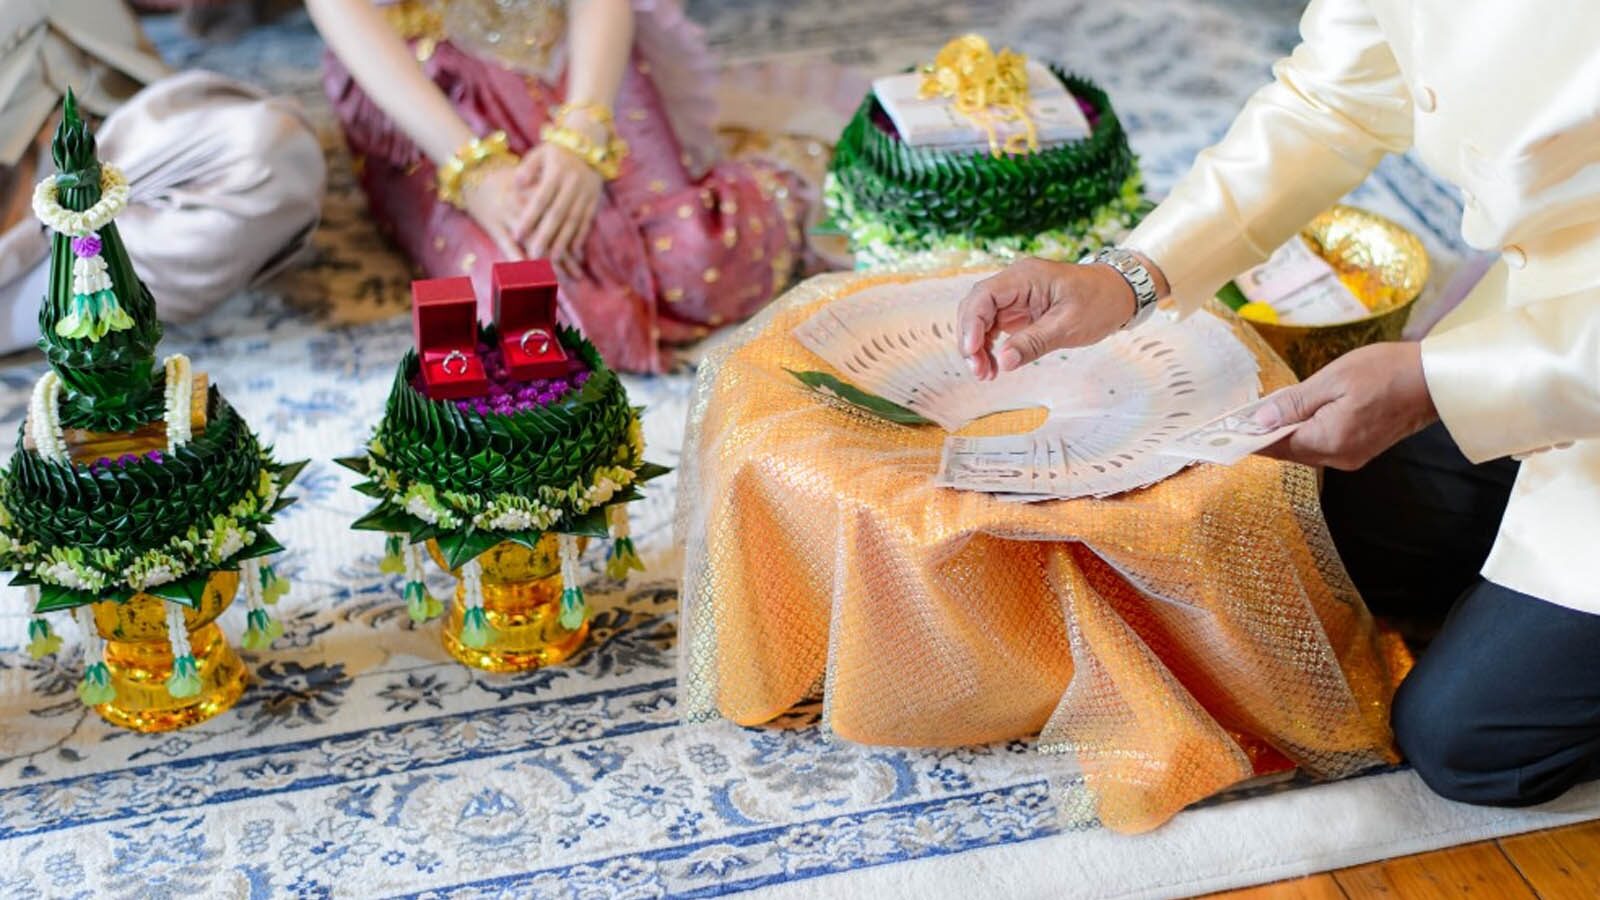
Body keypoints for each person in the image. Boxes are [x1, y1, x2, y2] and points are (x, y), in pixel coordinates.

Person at [957, 0, 1600, 808]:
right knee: (1296, 535)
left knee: (1466, 744)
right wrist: (1130, 276)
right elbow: (1330, 101)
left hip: (1566, 355)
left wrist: (1439, 383)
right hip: (1539, 324)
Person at [310, 0, 811, 374]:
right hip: (425, 85)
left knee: (699, 261)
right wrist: (472, 169)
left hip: (574, 50)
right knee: (526, 315)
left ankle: (782, 174)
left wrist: (583, 134)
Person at [0, 0, 325, 355]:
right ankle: (60, 285)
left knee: (273, 152)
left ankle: (74, 270)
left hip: (126, 126)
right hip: (19, 188)